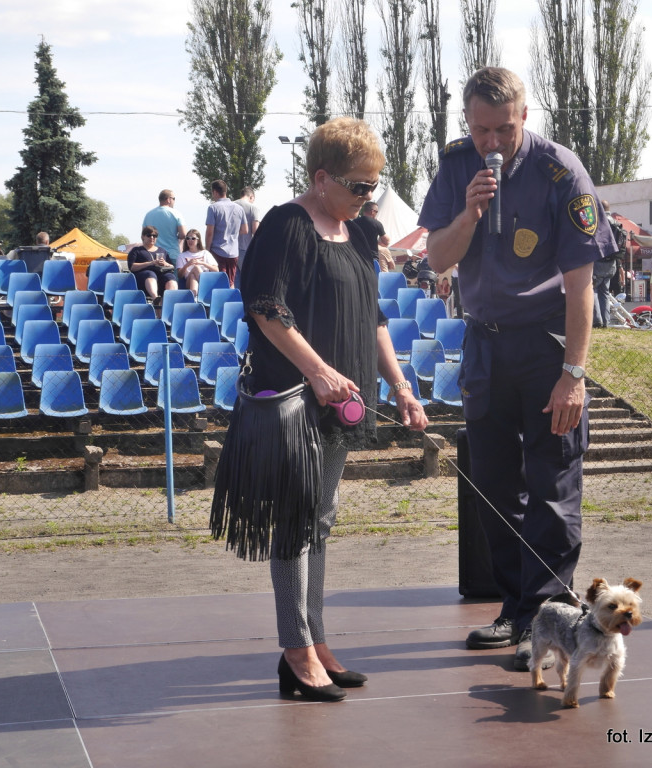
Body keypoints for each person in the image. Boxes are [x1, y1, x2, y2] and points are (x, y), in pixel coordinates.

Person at [418, 66, 615, 672]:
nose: (492, 143)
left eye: (504, 129)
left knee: (553, 482)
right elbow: (438, 259)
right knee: (496, 483)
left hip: (545, 345)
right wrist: (469, 214)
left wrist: (573, 374)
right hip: (484, 343)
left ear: (525, 117)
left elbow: (582, 285)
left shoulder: (562, 171)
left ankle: (546, 616)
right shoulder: (456, 166)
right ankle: (514, 607)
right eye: (481, 130)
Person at [226, 116, 427, 702]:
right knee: (295, 522)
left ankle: (314, 638)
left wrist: (402, 387)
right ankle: (296, 650)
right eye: (359, 186)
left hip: (346, 405)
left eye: (374, 186)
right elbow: (267, 308)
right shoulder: (288, 225)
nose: (369, 198)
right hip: (294, 402)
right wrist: (317, 372)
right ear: (321, 178)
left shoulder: (358, 235)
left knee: (319, 520)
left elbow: (374, 320)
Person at [205, 179, 249, 286]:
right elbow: (245, 230)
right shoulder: (239, 208)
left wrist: (207, 249)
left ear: (215, 192)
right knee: (231, 282)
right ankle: (232, 301)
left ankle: (221, 302)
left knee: (219, 282)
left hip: (217, 249)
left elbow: (210, 232)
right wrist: (232, 231)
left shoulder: (213, 208)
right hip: (233, 251)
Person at [127, 225, 178, 304]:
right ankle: (155, 299)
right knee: (150, 273)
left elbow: (172, 267)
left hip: (161, 278)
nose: (152, 237)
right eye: (149, 235)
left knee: (170, 277)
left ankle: (170, 302)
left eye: (154, 236)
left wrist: (165, 263)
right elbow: (132, 267)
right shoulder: (136, 250)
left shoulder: (162, 251)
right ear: (143, 236)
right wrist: (151, 263)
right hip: (143, 280)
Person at [592, 201, 623, 328]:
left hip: (599, 261)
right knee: (604, 292)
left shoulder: (599, 222)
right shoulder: (616, 222)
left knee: (593, 289)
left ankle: (597, 320)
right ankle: (606, 321)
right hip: (612, 263)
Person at [176, 228, 219, 298]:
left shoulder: (205, 253)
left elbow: (216, 270)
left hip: (205, 278)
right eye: (188, 238)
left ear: (198, 240)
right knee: (195, 269)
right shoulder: (182, 256)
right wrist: (187, 265)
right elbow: (180, 275)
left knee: (193, 276)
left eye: (193, 238)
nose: (190, 240)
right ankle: (206, 289)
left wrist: (202, 263)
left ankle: (193, 298)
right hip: (188, 282)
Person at [143, 189, 187, 257]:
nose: (174, 201)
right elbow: (183, 234)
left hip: (153, 254)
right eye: (174, 199)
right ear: (169, 199)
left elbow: (143, 235)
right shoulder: (176, 213)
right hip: (172, 253)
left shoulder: (148, 214)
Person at [354, 201, 394, 272]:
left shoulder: (354, 222)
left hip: (356, 257)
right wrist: (378, 243)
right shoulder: (377, 223)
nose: (376, 214)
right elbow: (386, 241)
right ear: (372, 211)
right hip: (371, 258)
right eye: (376, 212)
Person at [235, 186, 262, 272]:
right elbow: (255, 231)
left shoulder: (231, 205)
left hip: (230, 249)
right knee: (246, 278)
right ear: (251, 197)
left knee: (233, 281)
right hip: (244, 248)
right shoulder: (253, 208)